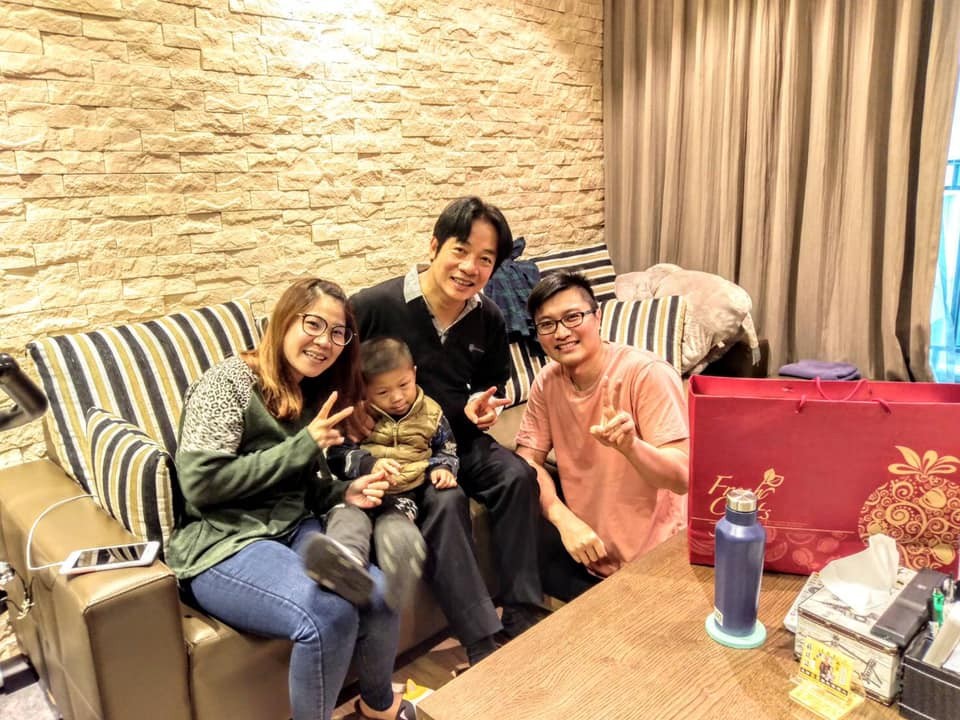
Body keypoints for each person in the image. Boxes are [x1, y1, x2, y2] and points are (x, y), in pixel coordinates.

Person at [167, 278, 414, 720]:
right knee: (328, 615)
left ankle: (378, 705)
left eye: (337, 333)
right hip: (225, 542)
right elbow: (201, 484)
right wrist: (304, 445)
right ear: (284, 320)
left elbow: (301, 484)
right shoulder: (228, 382)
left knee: (379, 596)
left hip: (292, 528)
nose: (324, 341)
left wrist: (345, 491)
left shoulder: (308, 388)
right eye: (313, 324)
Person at [350, 196, 544, 667]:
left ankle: (523, 611)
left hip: (457, 435)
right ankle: (481, 638)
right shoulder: (373, 306)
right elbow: (334, 372)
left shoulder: (488, 317)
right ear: (434, 246)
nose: (470, 267)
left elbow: (491, 385)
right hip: (395, 446)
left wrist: (482, 407)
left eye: (485, 259)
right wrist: (353, 410)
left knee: (518, 476)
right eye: (461, 250)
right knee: (446, 499)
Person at [515, 271, 690, 601]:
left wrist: (631, 447)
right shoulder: (547, 382)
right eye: (547, 324)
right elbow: (526, 462)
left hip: (659, 561)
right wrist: (562, 518)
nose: (561, 332)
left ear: (597, 317)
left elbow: (682, 478)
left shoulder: (646, 374)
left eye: (573, 317)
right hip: (589, 557)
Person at [312, 336, 460, 613]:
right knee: (347, 517)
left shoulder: (431, 414)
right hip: (359, 490)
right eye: (382, 392)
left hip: (402, 494)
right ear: (365, 390)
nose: (397, 397)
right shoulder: (358, 416)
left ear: (414, 373)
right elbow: (338, 455)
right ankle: (347, 563)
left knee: (396, 526)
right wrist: (368, 465)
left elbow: (446, 447)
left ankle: (401, 568)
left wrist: (442, 467)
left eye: (404, 385)